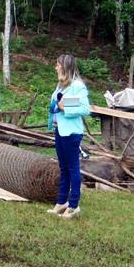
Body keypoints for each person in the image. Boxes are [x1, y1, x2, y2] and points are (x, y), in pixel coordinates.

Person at [46, 54, 90, 219]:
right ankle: (61, 202)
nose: (55, 67)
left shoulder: (78, 86)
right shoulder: (61, 85)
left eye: (58, 65)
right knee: (63, 168)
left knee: (73, 169)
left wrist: (65, 108)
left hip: (71, 133)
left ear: (65, 67)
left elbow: (85, 108)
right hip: (59, 130)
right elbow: (58, 104)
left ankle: (74, 205)